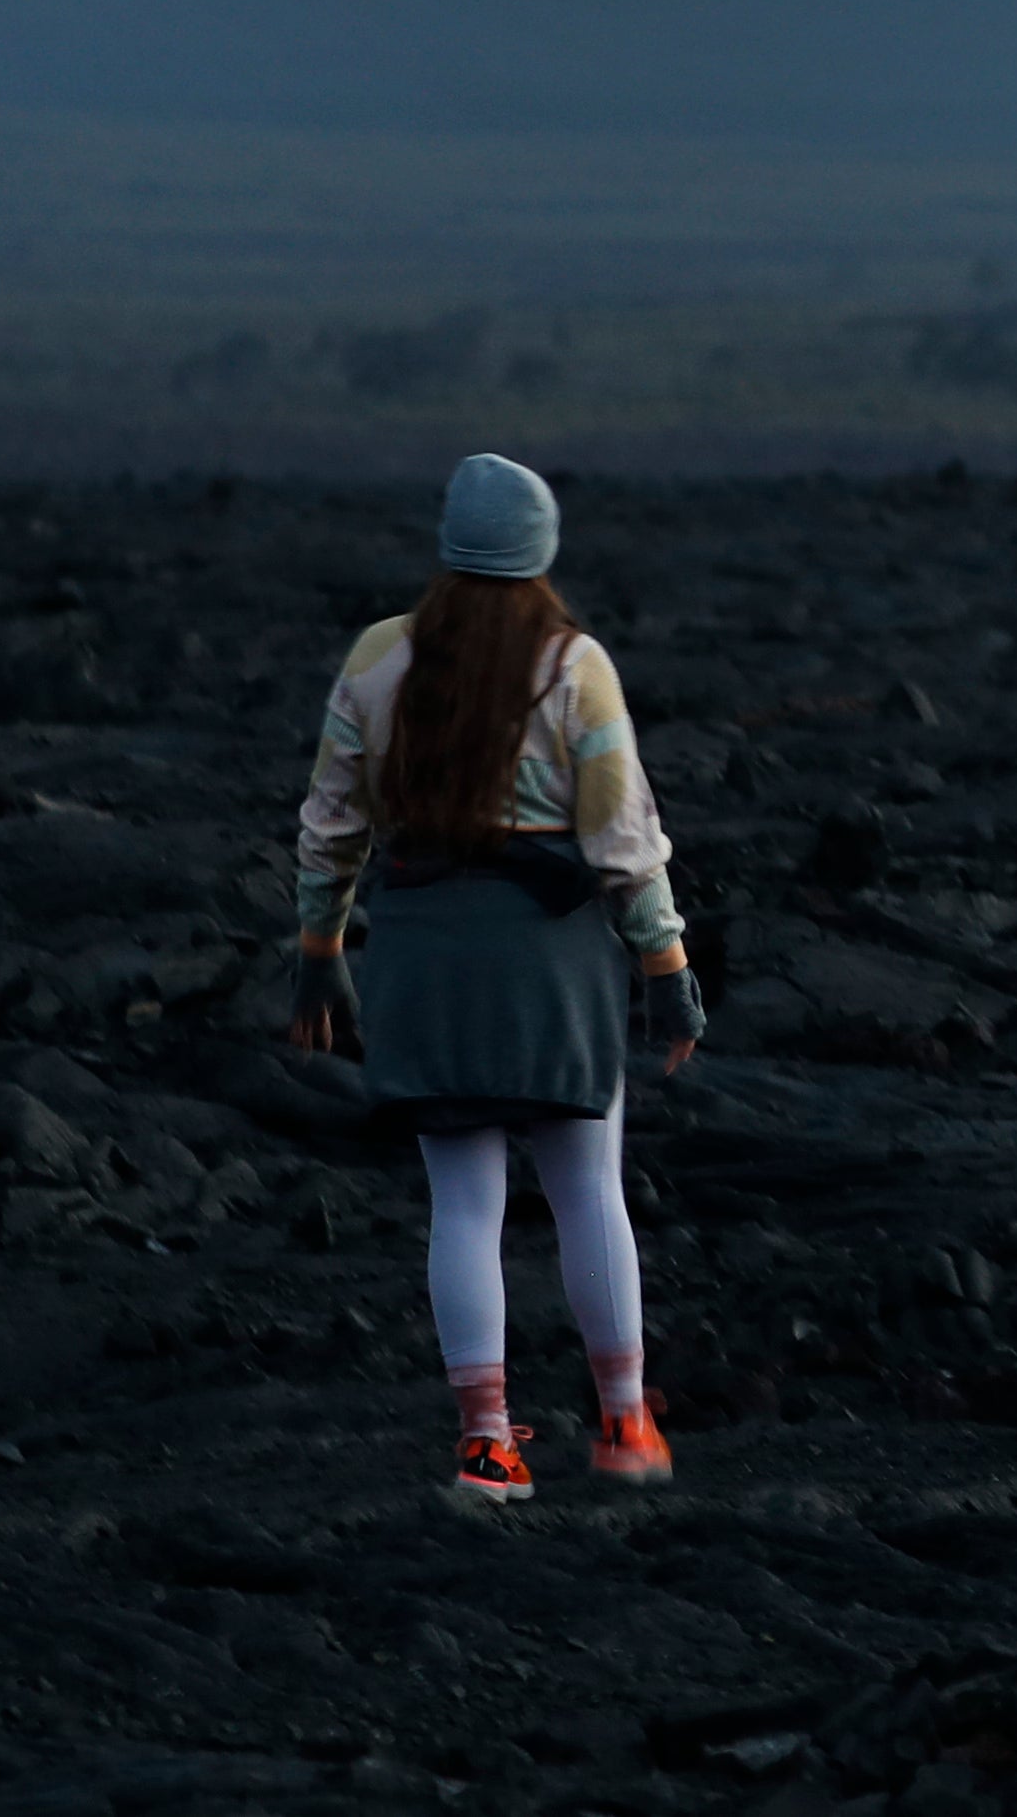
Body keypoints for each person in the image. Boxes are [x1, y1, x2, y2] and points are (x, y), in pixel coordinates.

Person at [284, 452, 708, 1499]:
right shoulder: (576, 666)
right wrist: (667, 966)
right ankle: (623, 1427)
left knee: (462, 1206)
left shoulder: (379, 659)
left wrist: (321, 955)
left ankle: (487, 1443)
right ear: (543, 550)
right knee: (586, 1192)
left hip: (425, 950)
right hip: (551, 959)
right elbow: (622, 838)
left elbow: (330, 830)